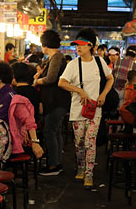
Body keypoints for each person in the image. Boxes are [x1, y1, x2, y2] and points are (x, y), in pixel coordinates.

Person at [58, 30, 113, 188]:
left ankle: (89, 174)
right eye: (76, 46)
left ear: (90, 46)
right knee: (79, 142)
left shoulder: (99, 62)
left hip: (95, 109)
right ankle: (81, 167)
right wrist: (79, 90)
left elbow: (110, 79)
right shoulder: (73, 64)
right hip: (77, 109)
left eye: (81, 45)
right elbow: (61, 82)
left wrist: (103, 94)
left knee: (90, 141)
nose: (78, 48)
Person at [34, 29, 70, 176]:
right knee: (55, 132)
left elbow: (51, 78)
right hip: (57, 101)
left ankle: (53, 166)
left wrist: (37, 81)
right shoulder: (54, 57)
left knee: (50, 132)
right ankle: (56, 163)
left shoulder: (56, 57)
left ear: (45, 45)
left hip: (56, 101)